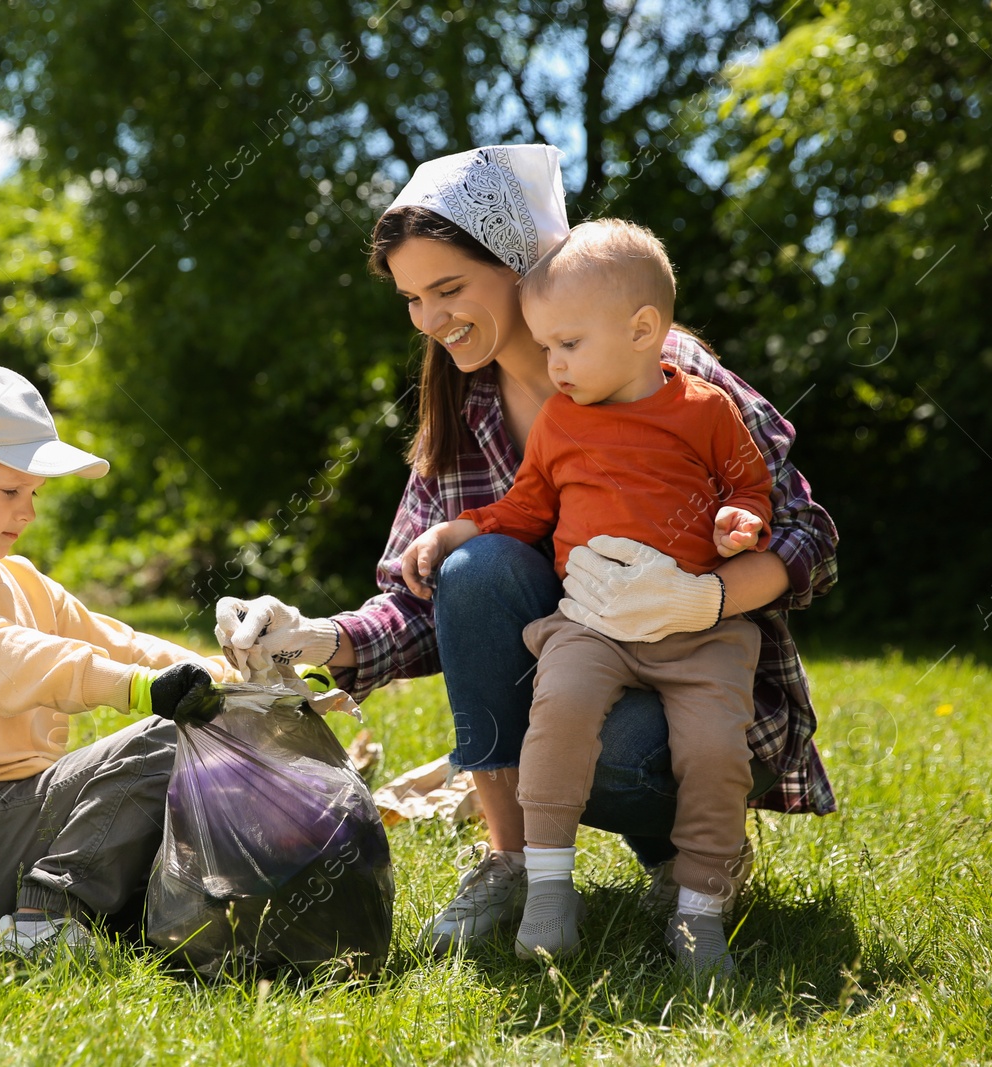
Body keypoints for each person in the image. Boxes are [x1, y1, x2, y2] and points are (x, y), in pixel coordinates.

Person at [215, 144, 839, 958]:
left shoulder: (670, 373)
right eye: (411, 298)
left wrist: (709, 594)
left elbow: (809, 536)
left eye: (448, 289)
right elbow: (419, 597)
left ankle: (692, 862)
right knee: (474, 566)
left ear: (524, 264)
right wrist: (310, 636)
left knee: (616, 749)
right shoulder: (461, 412)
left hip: (700, 681)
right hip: (577, 670)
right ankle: (511, 862)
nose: (430, 320)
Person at [399, 218, 773, 975]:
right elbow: (527, 507)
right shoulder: (561, 422)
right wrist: (455, 531)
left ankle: (699, 905)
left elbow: (756, 491)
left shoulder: (704, 407)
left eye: (568, 345)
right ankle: (546, 890)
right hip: (591, 624)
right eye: (547, 348)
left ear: (643, 331)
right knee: (556, 716)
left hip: (700, 634)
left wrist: (738, 529)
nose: (556, 364)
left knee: (711, 751)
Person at [0, 360, 231, 959]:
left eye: (32, 493)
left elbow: (116, 641)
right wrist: (141, 690)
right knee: (168, 742)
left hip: (27, 822)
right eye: (11, 491)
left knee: (198, 823)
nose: (27, 512)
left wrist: (235, 679)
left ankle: (40, 917)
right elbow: (19, 661)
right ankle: (44, 916)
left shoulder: (19, 578)